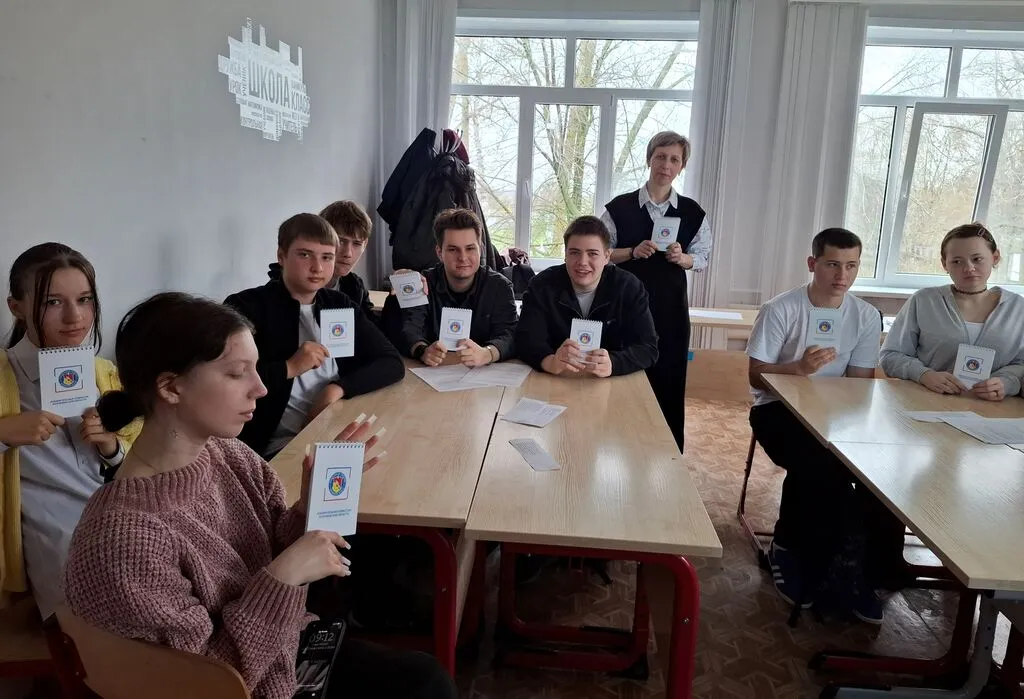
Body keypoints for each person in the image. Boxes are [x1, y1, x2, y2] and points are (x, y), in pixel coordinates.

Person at [63, 292, 456, 699]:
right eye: (238, 373)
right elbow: (206, 686)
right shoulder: (123, 538)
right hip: (248, 682)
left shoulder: (227, 454)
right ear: (171, 387)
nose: (261, 388)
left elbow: (278, 545)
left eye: (256, 368)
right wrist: (282, 578)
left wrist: (311, 508)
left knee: (424, 677)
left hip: (285, 653)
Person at [746, 228, 902, 624]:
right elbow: (756, 376)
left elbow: (861, 384)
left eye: (851, 266)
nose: (842, 275)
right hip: (777, 409)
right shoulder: (781, 309)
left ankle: (856, 568)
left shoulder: (865, 316)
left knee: (878, 473)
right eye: (833, 264)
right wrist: (797, 369)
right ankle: (791, 551)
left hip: (838, 415)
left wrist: (842, 416)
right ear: (813, 263)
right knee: (819, 468)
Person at [0, 243, 139, 618]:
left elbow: (139, 461)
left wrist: (111, 447)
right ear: (17, 307)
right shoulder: (3, 376)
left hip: (121, 518)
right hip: (54, 534)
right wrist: (3, 434)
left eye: (84, 299)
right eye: (52, 302)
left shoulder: (105, 374)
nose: (74, 317)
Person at [225, 213, 404, 458]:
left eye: (327, 257)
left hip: (333, 430)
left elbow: (391, 362)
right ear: (281, 256)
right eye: (305, 255)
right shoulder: (245, 307)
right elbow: (226, 382)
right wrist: (289, 367)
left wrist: (337, 388)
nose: (317, 267)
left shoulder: (339, 304)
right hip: (274, 447)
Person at [600, 131, 713, 452]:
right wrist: (631, 252)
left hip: (670, 310)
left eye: (674, 159)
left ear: (682, 166)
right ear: (649, 159)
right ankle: (614, 449)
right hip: (623, 308)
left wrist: (682, 258)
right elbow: (600, 254)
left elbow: (703, 258)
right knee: (623, 376)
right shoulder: (619, 208)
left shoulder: (692, 212)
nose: (666, 165)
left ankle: (666, 455)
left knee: (668, 380)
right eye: (661, 157)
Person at [880, 223, 1024, 400]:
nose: (968, 268)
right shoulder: (924, 301)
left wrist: (1006, 382)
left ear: (995, 257)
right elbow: (890, 356)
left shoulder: (1018, 308)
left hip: (994, 410)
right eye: (957, 261)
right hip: (927, 404)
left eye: (977, 259)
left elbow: (1021, 363)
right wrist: (924, 375)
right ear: (944, 264)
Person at [515, 216, 658, 378]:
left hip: (611, 380)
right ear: (565, 255)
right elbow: (525, 340)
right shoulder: (541, 285)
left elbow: (648, 347)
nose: (583, 262)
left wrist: (614, 363)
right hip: (556, 377)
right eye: (575, 253)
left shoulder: (628, 287)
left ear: (607, 256)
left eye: (592, 254)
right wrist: (549, 361)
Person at [384, 208, 517, 368]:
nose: (463, 257)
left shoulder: (500, 286)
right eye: (453, 249)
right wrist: (422, 350)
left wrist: (487, 353)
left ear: (480, 249)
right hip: (433, 372)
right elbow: (409, 328)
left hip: (484, 374)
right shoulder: (423, 284)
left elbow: (510, 334)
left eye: (470, 248)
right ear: (439, 253)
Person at [268, 201, 376, 319]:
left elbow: (373, 327)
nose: (348, 253)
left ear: (365, 244)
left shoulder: (354, 284)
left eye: (357, 243)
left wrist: (392, 298)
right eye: (340, 241)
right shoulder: (273, 295)